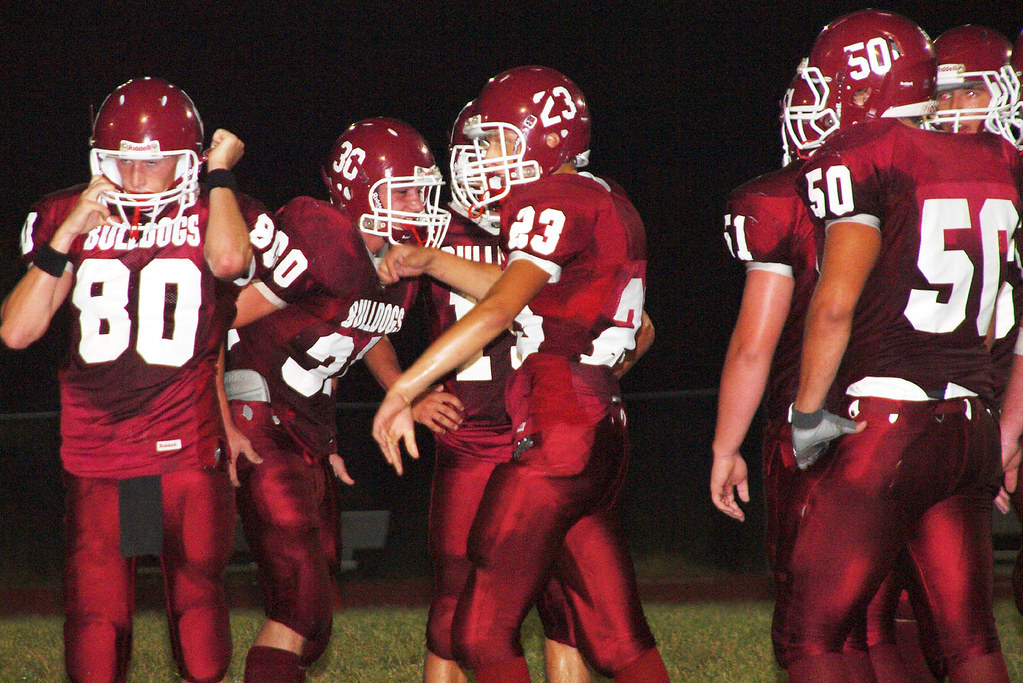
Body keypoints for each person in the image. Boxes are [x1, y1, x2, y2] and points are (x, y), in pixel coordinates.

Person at [372, 65, 668, 683]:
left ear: (547, 138)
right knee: (617, 643)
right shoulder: (603, 197)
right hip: (598, 421)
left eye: (498, 141)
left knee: (479, 632)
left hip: (558, 427)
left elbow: (501, 308)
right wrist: (431, 258)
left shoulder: (553, 199)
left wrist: (402, 390)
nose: (486, 158)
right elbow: (525, 293)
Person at [0, 77, 275, 683]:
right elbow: (16, 332)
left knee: (195, 599)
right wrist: (67, 234)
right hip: (101, 455)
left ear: (188, 160)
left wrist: (221, 175)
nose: (137, 173)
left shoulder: (213, 207)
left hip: (183, 449)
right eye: (123, 158)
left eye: (154, 160)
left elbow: (230, 263)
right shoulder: (67, 212)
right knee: (100, 616)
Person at [782, 10, 1021, 681]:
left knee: (811, 636)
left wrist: (806, 413)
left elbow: (833, 305)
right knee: (969, 641)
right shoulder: (999, 159)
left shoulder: (872, 156)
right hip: (969, 425)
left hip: (889, 418)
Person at [221, 117, 452, 682]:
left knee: (314, 614)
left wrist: (406, 394)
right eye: (404, 190)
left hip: (308, 431)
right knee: (300, 600)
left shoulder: (398, 268)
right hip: (257, 413)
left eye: (423, 190)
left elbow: (368, 330)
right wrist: (215, 416)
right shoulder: (320, 232)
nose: (418, 204)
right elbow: (219, 320)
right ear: (357, 188)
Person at [418, 101, 593, 683]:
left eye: (487, 147)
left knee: (564, 606)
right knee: (451, 609)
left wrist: (593, 375)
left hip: (544, 433)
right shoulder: (438, 225)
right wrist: (405, 390)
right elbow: (364, 322)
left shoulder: (564, 217)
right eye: (471, 149)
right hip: (469, 435)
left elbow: (638, 328)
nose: (476, 162)